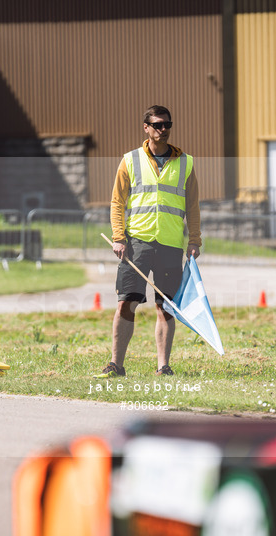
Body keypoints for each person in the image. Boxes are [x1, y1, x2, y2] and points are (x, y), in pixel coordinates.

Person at [95, 105, 201, 378]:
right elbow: (117, 202)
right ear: (146, 127)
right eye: (157, 124)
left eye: (167, 124)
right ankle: (116, 365)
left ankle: (163, 366)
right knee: (126, 302)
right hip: (137, 243)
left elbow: (193, 206)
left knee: (166, 305)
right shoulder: (130, 160)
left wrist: (195, 240)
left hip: (170, 244)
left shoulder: (185, 162)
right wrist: (119, 237)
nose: (162, 129)